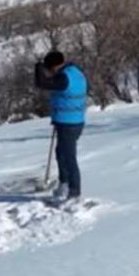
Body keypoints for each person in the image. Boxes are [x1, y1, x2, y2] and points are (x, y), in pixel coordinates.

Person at [34, 50, 88, 201]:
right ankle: (64, 184)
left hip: (68, 124)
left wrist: (37, 66)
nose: (48, 72)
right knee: (61, 153)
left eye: (48, 68)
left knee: (69, 157)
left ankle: (74, 192)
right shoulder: (75, 72)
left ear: (54, 66)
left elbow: (42, 83)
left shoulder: (65, 78)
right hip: (73, 121)